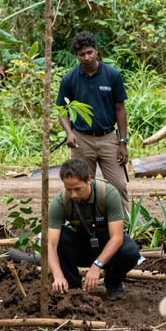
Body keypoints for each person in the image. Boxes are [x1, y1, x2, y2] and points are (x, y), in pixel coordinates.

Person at [56, 30, 130, 214]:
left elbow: (120, 109)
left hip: (108, 138)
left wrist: (122, 142)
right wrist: (69, 133)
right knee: (81, 186)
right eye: (82, 54)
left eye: (90, 52)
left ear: (96, 51)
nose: (87, 57)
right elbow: (62, 111)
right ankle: (85, 224)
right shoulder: (70, 79)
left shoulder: (112, 75)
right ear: (77, 56)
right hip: (82, 139)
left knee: (118, 185)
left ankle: (125, 224)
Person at [48, 158, 140, 300]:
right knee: (60, 236)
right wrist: (58, 275)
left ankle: (113, 283)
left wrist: (97, 266)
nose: (73, 194)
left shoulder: (108, 194)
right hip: (81, 247)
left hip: (107, 247)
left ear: (89, 180)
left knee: (130, 251)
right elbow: (51, 245)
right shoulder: (60, 202)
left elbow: (117, 238)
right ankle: (73, 288)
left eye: (77, 189)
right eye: (68, 189)